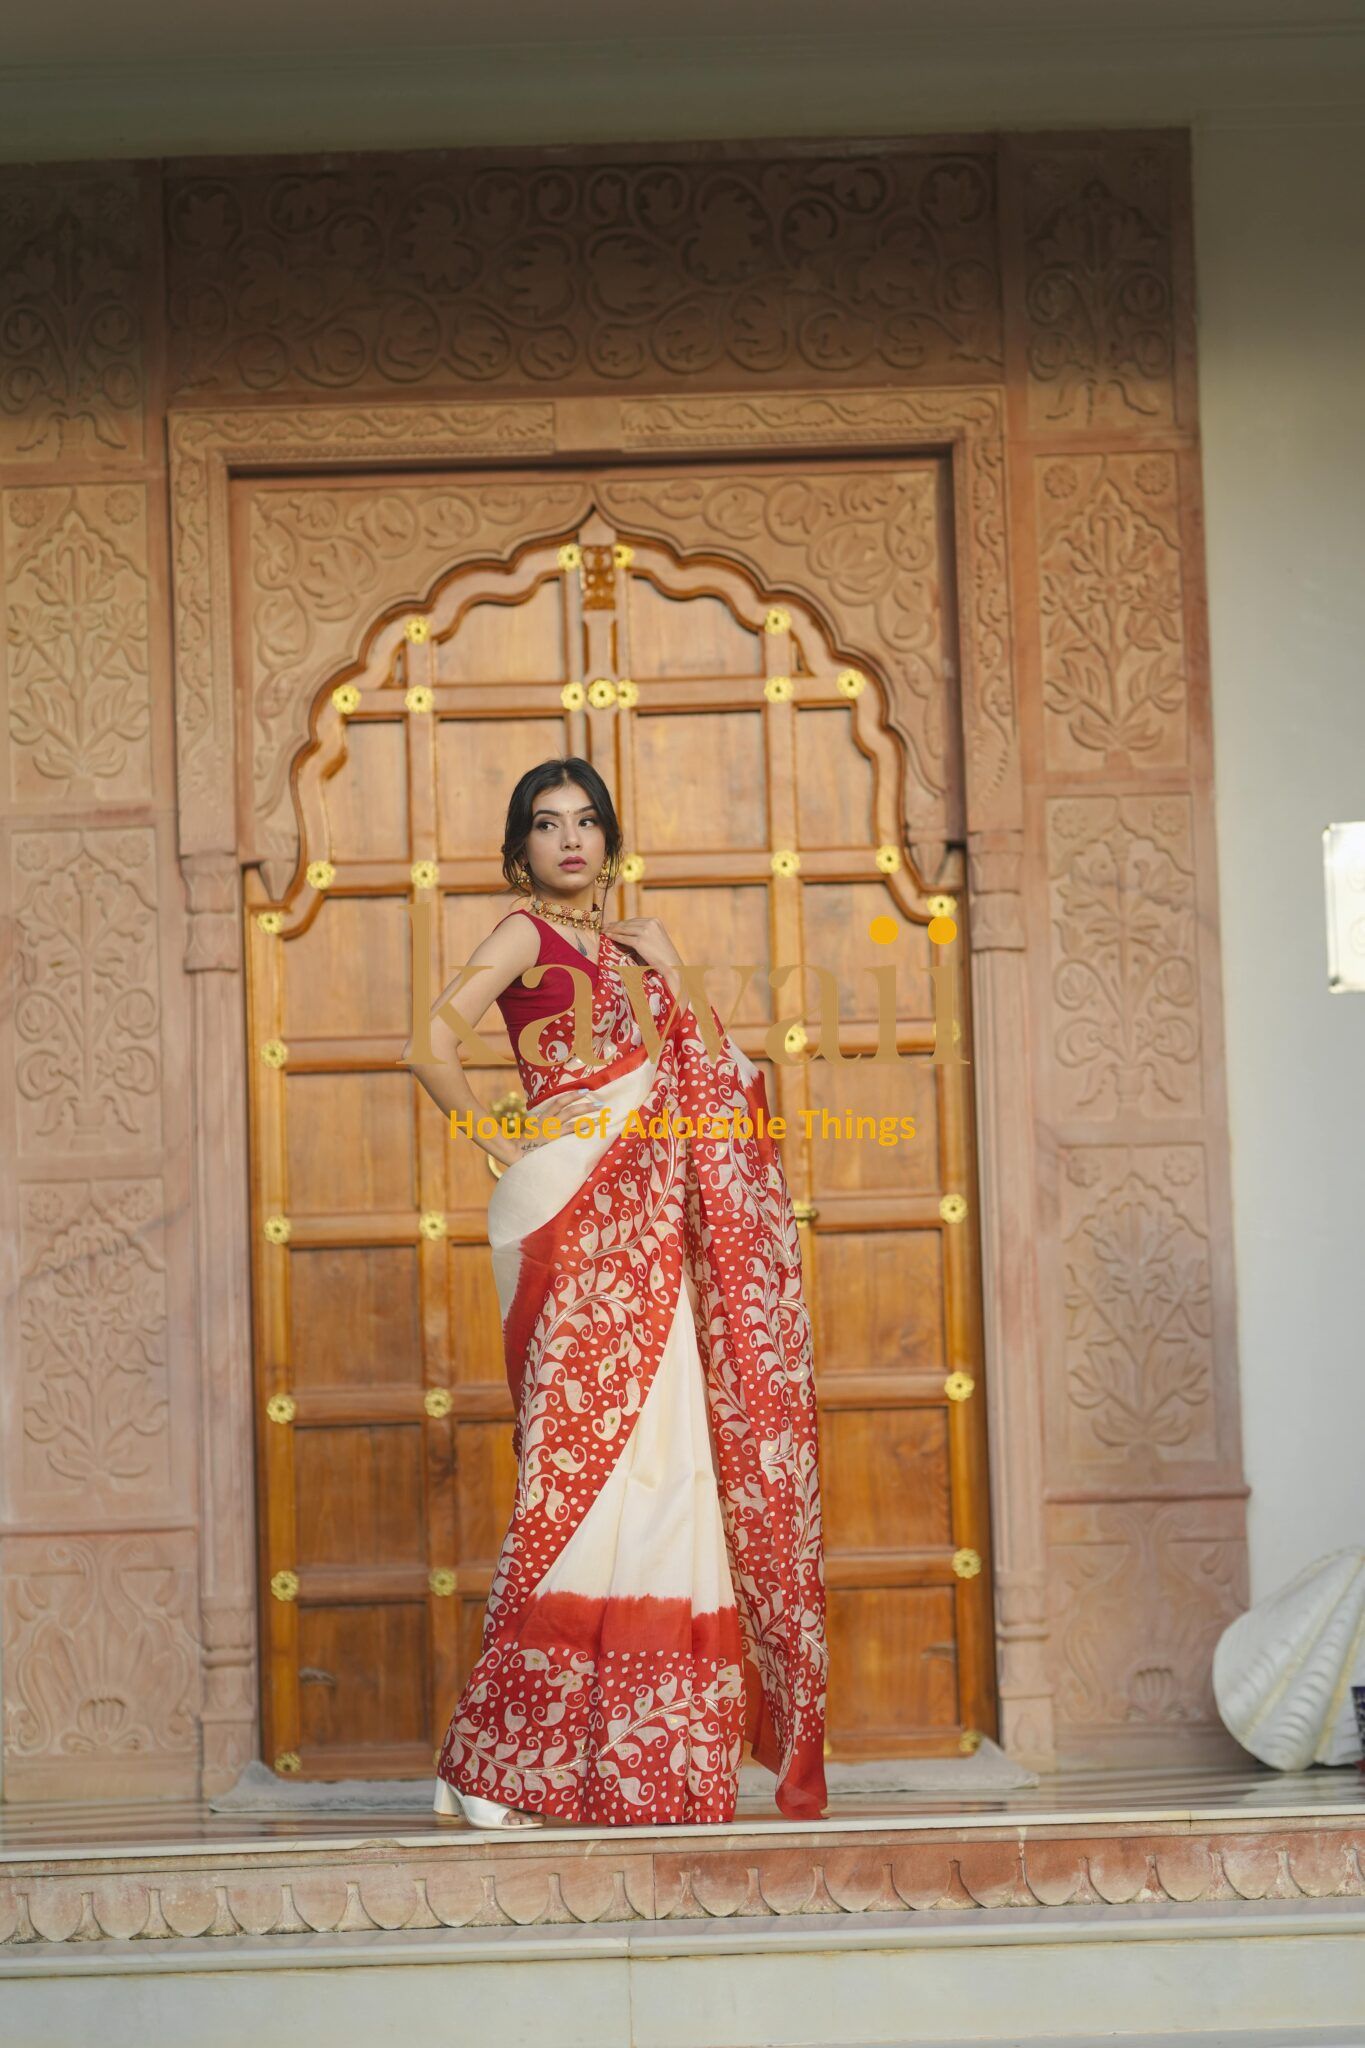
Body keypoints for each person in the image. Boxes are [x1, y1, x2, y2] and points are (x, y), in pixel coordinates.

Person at [404, 756, 827, 1828]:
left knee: (663, 1460)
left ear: (611, 839)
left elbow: (716, 1083)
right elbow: (430, 1043)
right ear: (520, 851)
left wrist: (678, 968)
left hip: (653, 1229)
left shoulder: (638, 948)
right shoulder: (521, 934)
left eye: (586, 820)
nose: (570, 840)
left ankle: (636, 1759)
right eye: (547, 825)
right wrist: (502, 1142)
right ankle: (501, 1756)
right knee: (575, 1472)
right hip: (571, 1201)